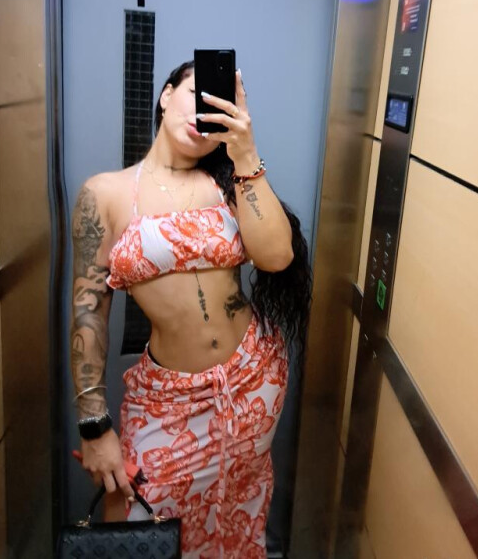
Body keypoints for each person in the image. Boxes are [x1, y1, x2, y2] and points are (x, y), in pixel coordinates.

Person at [70, 60, 311, 557]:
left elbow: (276, 257)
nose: (204, 112)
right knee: (139, 517)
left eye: (219, 105)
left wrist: (245, 153)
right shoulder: (106, 194)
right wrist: (94, 424)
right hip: (169, 400)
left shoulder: (229, 184)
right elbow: (88, 312)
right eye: (196, 94)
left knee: (238, 509)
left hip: (253, 381)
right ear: (165, 96)